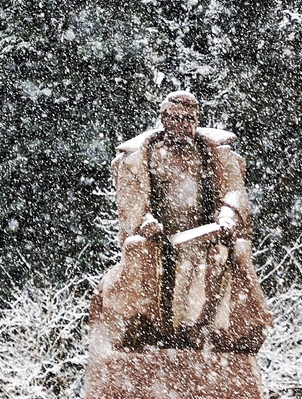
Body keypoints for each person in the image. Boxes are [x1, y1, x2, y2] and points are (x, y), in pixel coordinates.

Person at [94, 90, 273, 353]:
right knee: (141, 251)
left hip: (205, 232)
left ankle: (207, 328)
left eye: (190, 119)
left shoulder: (211, 153)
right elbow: (132, 201)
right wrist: (146, 220)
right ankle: (148, 324)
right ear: (164, 119)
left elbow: (232, 192)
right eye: (177, 118)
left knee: (226, 254)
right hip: (159, 235)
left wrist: (226, 215)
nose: (184, 125)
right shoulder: (145, 155)